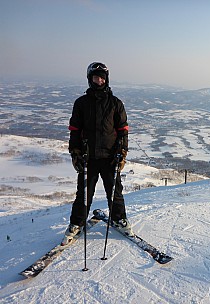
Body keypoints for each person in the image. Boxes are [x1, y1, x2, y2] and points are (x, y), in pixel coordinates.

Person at [62, 62, 134, 246]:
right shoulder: (81, 103)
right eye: (96, 77)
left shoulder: (115, 103)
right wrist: (75, 152)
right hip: (89, 158)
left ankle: (119, 219)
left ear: (106, 79)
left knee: (115, 192)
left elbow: (123, 130)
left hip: (110, 157)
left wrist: (122, 152)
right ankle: (76, 224)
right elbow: (75, 130)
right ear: (90, 79)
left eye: (102, 77)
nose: (99, 80)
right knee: (84, 194)